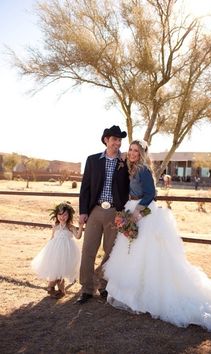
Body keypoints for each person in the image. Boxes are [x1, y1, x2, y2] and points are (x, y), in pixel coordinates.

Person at [104, 139, 211, 332]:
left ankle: (143, 296)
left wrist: (136, 213)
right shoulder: (130, 167)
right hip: (130, 208)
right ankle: (132, 294)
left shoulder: (144, 170)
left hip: (142, 212)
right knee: (131, 253)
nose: (132, 153)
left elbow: (151, 194)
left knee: (145, 255)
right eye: (130, 149)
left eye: (136, 150)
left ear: (142, 154)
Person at [75, 125, 130, 304]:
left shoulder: (125, 161)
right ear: (106, 140)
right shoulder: (92, 160)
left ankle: (104, 286)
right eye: (114, 139)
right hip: (95, 211)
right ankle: (86, 288)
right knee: (88, 250)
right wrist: (83, 211)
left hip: (115, 212)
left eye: (120, 140)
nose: (117, 143)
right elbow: (85, 188)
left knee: (110, 252)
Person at [31, 202, 81, 299]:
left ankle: (55, 287)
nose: (62, 217)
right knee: (57, 270)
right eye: (60, 214)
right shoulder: (55, 227)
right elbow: (52, 238)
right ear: (56, 215)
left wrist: (81, 225)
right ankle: (60, 290)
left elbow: (78, 237)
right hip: (55, 251)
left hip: (67, 252)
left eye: (65, 214)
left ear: (69, 215)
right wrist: (47, 251)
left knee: (60, 270)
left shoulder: (70, 227)